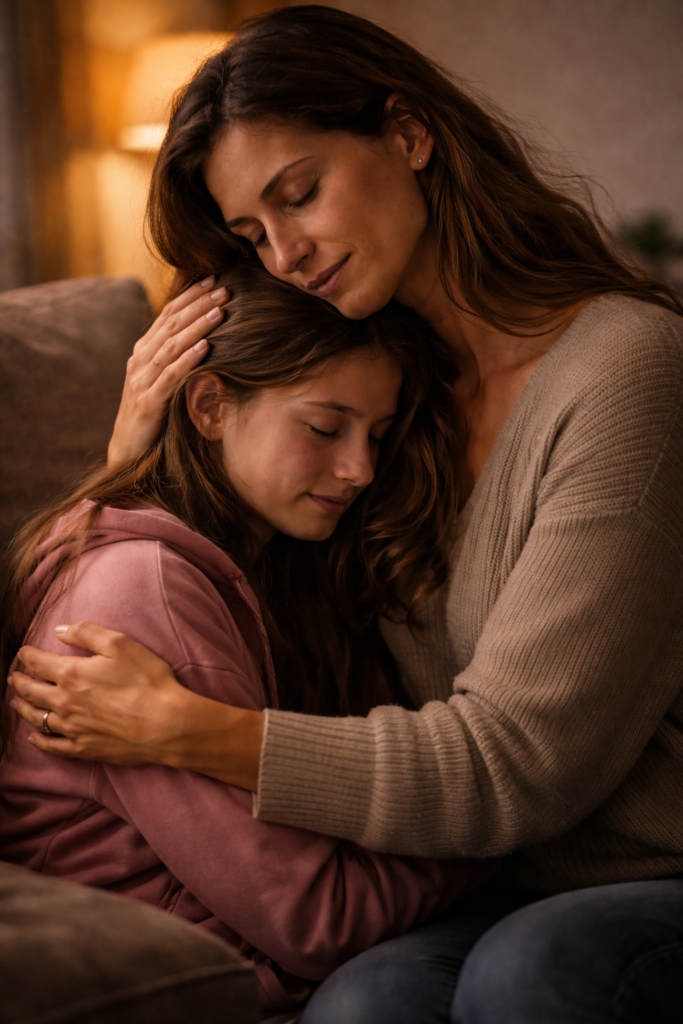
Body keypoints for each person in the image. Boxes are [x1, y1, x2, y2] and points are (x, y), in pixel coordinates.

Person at [9, 6, 683, 1023]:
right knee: (361, 1003)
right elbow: (242, 616)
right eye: (250, 232)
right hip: (466, 867)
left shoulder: (629, 369)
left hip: (635, 864)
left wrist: (191, 730)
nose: (282, 251)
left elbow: (516, 763)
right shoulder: (381, 391)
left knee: (529, 976)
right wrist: (138, 467)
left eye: (299, 192)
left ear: (407, 134)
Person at [0, 264, 491, 1018]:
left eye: (377, 434)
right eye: (324, 428)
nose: (360, 469)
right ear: (209, 406)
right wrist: (499, 836)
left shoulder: (264, 563)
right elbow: (317, 916)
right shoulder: (143, 596)